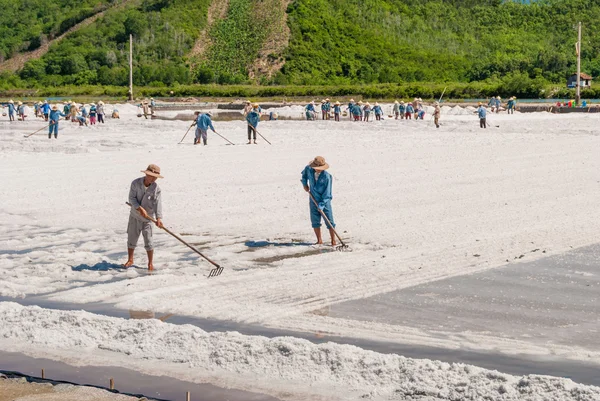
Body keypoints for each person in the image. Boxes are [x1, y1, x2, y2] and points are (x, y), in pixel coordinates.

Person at [123, 164, 164, 271]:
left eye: (155, 177)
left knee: (149, 241)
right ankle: (130, 259)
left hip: (148, 219)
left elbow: (158, 204)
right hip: (135, 216)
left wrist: (159, 218)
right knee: (132, 238)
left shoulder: (156, 188)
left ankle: (150, 263)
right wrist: (139, 208)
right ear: (146, 174)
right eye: (151, 176)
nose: (153, 179)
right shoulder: (135, 183)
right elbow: (131, 198)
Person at [301, 156, 336, 246]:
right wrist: (305, 184)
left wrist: (321, 205)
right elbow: (304, 176)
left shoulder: (327, 177)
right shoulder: (309, 169)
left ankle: (333, 241)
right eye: (317, 168)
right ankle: (319, 240)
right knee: (315, 219)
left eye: (320, 169)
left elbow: (327, 194)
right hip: (313, 198)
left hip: (324, 200)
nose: (318, 170)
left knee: (329, 220)